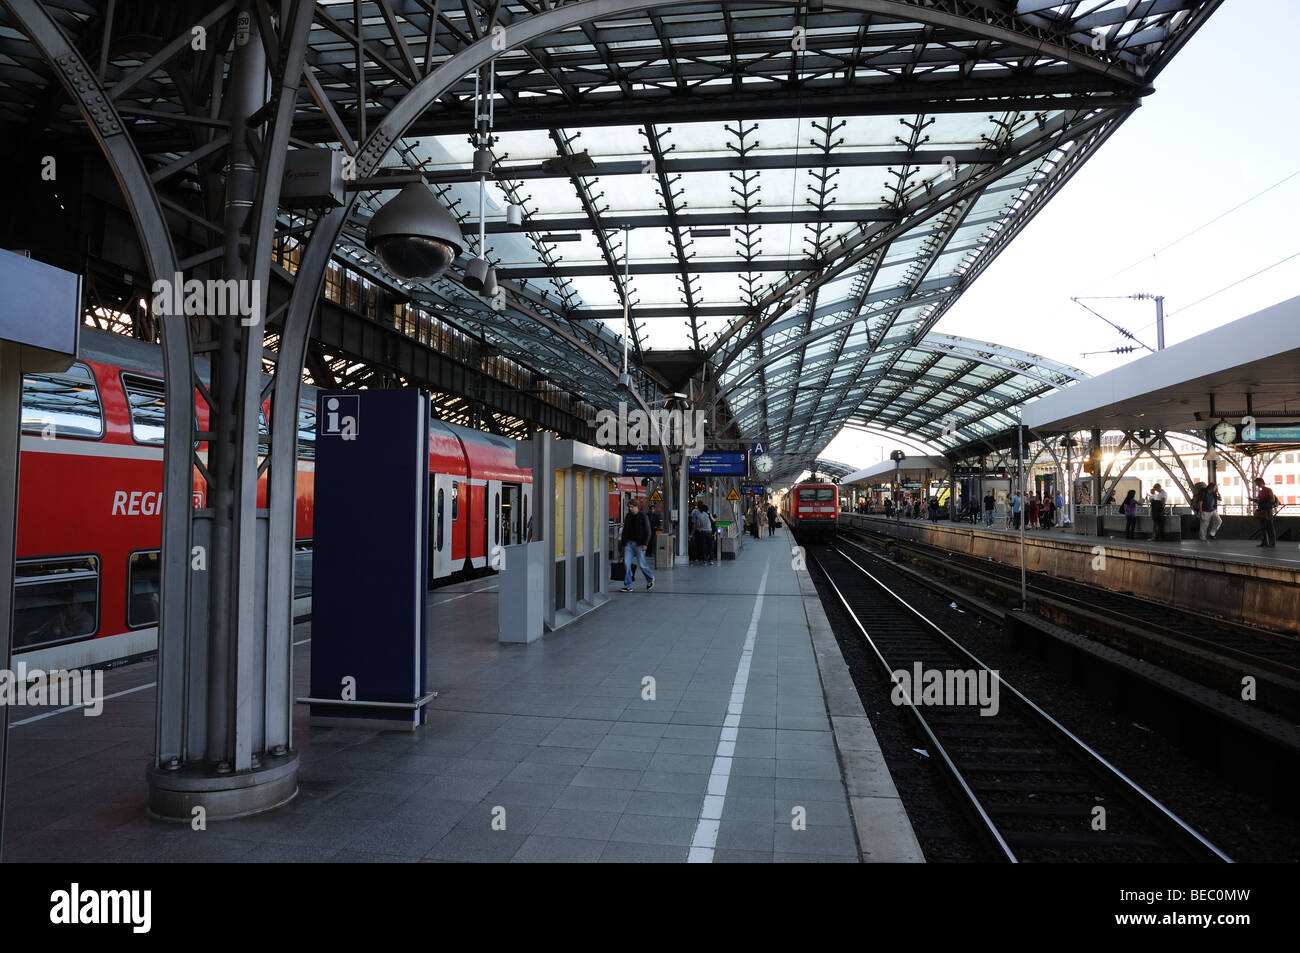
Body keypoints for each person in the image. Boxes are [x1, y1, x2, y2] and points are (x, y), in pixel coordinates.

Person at [618, 500, 655, 592]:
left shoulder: (643, 516)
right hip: (629, 544)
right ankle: (628, 585)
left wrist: (645, 544)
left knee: (642, 564)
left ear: (636, 506)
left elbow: (648, 531)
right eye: (629, 507)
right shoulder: (628, 516)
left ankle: (650, 579)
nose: (630, 509)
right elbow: (625, 530)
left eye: (632, 507)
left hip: (640, 544)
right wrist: (623, 544)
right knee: (626, 563)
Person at [1254, 477, 1278, 548]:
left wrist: (1262, 501)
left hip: (1267, 510)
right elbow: (1259, 500)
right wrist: (1255, 500)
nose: (1257, 485)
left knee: (1269, 527)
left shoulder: (1268, 490)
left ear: (1261, 482)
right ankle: (1264, 542)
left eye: (1257, 483)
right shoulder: (1261, 491)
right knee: (1263, 527)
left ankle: (1272, 543)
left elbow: (1272, 500)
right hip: (1262, 510)